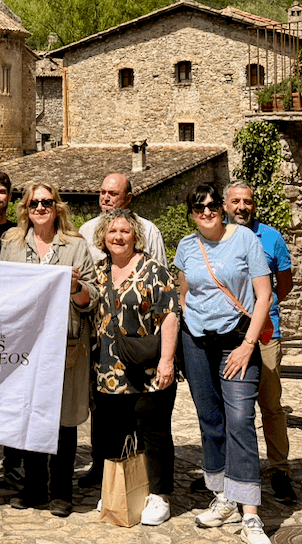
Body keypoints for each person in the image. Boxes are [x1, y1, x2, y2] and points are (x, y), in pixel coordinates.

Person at [174, 183, 273, 544]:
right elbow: (184, 294)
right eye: (199, 207)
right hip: (196, 342)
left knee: (240, 420)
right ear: (191, 213)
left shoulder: (244, 239)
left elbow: (265, 295)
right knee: (210, 420)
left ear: (222, 207)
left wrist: (248, 345)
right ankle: (223, 496)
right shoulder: (186, 246)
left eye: (212, 205)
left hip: (237, 341)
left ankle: (251, 515)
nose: (207, 211)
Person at [0, 182, 96, 517]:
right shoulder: (11, 243)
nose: (40, 208)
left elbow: (92, 296)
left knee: (64, 420)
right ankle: (35, 487)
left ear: (57, 207)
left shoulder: (75, 246)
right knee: (30, 416)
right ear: (26, 208)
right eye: (34, 203)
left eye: (47, 202)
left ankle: (62, 491)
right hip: (24, 346)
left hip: (65, 344)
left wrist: (75, 287)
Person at [77, 171, 168, 488]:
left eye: (113, 193)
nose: (105, 198)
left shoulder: (149, 231)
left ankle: (141, 473)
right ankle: (102, 466)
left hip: (138, 341)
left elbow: (161, 289)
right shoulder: (86, 230)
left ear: (129, 198)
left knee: (140, 411)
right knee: (103, 409)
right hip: (101, 340)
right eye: (102, 192)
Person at [91, 209, 179, 526]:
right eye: (112, 231)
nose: (118, 237)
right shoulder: (98, 272)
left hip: (148, 368)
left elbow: (169, 316)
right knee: (114, 432)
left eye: (125, 231)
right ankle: (122, 488)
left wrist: (167, 361)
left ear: (136, 236)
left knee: (153, 432)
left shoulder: (154, 271)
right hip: (107, 370)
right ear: (103, 236)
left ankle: (159, 494)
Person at [226, 181, 295, 504]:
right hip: (227, 334)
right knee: (229, 407)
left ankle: (279, 470)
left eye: (248, 201)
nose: (242, 207)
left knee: (270, 404)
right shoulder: (216, 237)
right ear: (225, 205)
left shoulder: (271, 238)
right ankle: (227, 469)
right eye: (236, 201)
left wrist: (265, 308)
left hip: (266, 333)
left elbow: (285, 284)